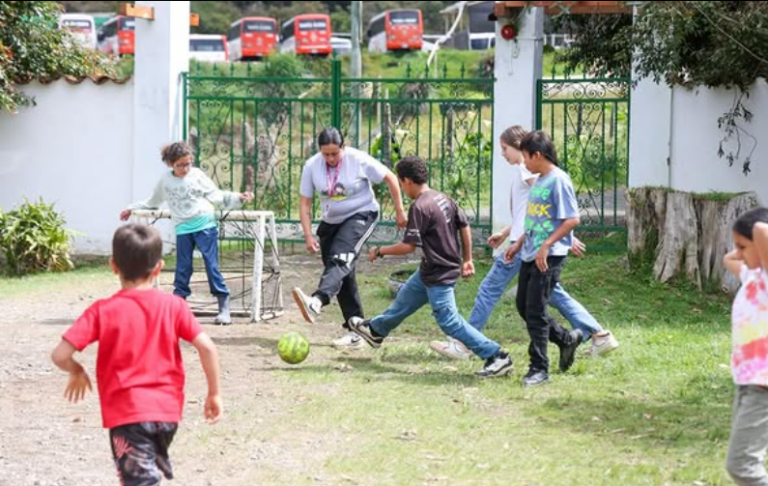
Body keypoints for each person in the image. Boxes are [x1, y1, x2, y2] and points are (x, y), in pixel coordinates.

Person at [51, 223, 222, 485]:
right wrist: (214, 393)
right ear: (158, 268)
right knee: (141, 477)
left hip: (128, 417)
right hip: (167, 415)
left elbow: (60, 355)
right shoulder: (174, 306)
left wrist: (77, 370)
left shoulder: (102, 310)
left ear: (113, 266)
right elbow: (207, 347)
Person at [430, 126, 618, 360]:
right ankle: (598, 335)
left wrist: (566, 235)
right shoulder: (528, 171)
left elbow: (547, 206)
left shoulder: (527, 171)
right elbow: (530, 211)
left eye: (504, 149)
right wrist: (505, 232)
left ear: (520, 147)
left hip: (525, 245)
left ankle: (465, 344)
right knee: (552, 293)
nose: (503, 154)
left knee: (489, 290)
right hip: (524, 240)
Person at [347, 156, 513, 378]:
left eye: (401, 183)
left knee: (449, 321)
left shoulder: (420, 206)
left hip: (439, 273)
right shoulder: (443, 198)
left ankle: (496, 355)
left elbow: (408, 247)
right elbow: (463, 225)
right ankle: (376, 331)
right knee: (403, 302)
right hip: (431, 268)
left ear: (406, 181)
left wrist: (380, 251)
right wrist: (468, 259)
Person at [291, 127, 408, 350]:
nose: (331, 158)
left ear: (343, 148)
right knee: (343, 273)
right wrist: (308, 234)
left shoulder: (358, 160)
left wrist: (400, 210)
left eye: (335, 153)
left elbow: (390, 178)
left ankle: (317, 301)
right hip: (331, 222)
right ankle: (356, 331)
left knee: (340, 259)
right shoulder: (312, 166)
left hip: (362, 214)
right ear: (319, 151)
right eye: (326, 154)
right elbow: (305, 202)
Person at [120, 142, 253, 325]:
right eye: (180, 165)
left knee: (211, 264)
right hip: (183, 228)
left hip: (204, 224)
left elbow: (216, 195)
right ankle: (178, 306)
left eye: (188, 164)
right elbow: (153, 202)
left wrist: (237, 197)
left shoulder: (197, 175)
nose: (185, 169)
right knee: (183, 268)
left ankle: (223, 304)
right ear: (170, 164)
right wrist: (131, 208)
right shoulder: (165, 181)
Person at [505, 131, 582, 387]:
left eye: (526, 157)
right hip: (530, 252)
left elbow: (572, 219)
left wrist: (547, 245)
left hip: (549, 256)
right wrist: (518, 243)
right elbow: (536, 218)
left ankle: (539, 368)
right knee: (523, 307)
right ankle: (565, 339)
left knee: (536, 310)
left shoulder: (559, 180)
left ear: (537, 155)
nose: (524, 163)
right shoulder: (539, 180)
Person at [724, 207, 768, 486]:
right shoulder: (751, 278)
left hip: (763, 385)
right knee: (746, 460)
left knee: (741, 464)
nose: (736, 252)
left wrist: (755, 227)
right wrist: (742, 247)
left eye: (743, 246)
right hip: (747, 381)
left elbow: (763, 231)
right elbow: (728, 258)